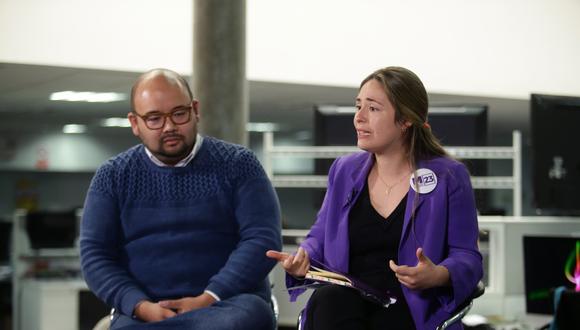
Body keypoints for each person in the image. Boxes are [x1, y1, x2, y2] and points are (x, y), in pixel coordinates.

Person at [267, 66, 483, 330]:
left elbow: (467, 256)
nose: (358, 118)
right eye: (358, 106)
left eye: (373, 108)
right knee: (329, 301)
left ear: (405, 120)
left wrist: (438, 274)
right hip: (347, 300)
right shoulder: (344, 171)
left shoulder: (449, 176)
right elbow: (321, 235)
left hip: (411, 306)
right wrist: (305, 256)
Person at [80, 68, 282, 330]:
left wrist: (209, 297)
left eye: (179, 113)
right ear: (134, 123)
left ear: (195, 109)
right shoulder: (113, 176)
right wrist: (140, 306)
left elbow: (262, 240)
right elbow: (95, 255)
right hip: (145, 311)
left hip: (225, 307)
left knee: (246, 318)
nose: (170, 126)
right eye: (154, 118)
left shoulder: (239, 164)